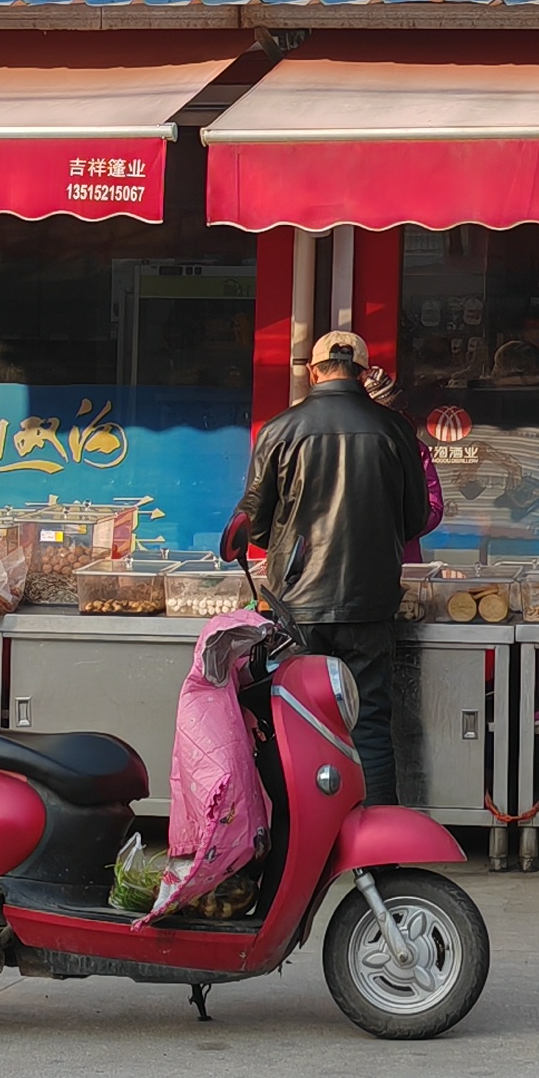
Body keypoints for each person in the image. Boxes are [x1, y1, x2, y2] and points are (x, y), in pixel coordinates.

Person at [220, 328, 431, 804]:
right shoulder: (396, 429)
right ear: (363, 372)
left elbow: (253, 523)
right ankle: (379, 854)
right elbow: (415, 518)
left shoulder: (280, 429)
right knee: (371, 722)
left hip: (297, 607)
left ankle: (302, 846)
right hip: (370, 601)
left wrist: (286, 547)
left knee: (295, 722)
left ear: (314, 372)